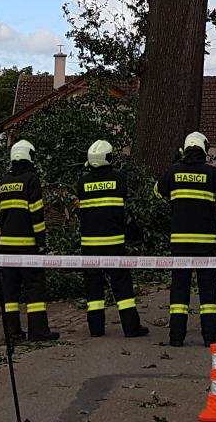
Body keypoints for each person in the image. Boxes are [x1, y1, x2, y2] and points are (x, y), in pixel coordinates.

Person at [154, 131, 216, 347]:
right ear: (203, 150)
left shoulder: (174, 173)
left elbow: (157, 191)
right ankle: (210, 337)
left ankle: (176, 337)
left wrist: (174, 164)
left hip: (179, 243)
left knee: (179, 289)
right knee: (208, 290)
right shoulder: (211, 173)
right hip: (205, 243)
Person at [75, 139, 150, 339]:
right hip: (114, 243)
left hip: (89, 245)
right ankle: (131, 328)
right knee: (122, 285)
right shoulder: (118, 179)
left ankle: (96, 329)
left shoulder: (82, 182)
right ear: (109, 158)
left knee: (93, 288)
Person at [0, 139, 57, 341]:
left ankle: (12, 333)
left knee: (9, 293)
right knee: (34, 289)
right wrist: (41, 241)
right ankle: (38, 331)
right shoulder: (31, 180)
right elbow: (36, 214)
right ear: (29, 155)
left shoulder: (2, 183)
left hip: (5, 247)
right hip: (27, 247)